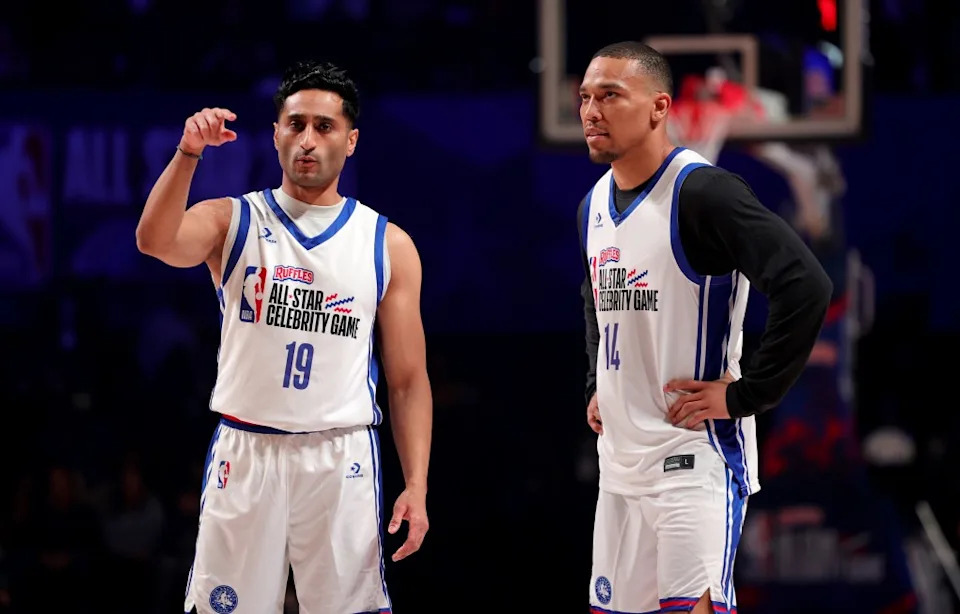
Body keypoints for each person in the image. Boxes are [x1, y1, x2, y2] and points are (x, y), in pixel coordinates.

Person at [135, 60, 432, 614]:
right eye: (295, 125)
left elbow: (409, 380)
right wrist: (187, 155)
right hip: (246, 449)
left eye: (324, 126)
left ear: (351, 139)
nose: (308, 140)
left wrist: (416, 485)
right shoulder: (232, 220)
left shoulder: (387, 244)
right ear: (275, 135)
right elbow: (154, 241)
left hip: (339, 453)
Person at [576, 42, 832, 614]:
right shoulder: (592, 203)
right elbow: (596, 296)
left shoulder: (704, 192)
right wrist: (597, 380)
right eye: (586, 97)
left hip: (690, 460)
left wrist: (747, 395)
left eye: (611, 96)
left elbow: (806, 285)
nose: (592, 110)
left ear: (660, 107)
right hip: (619, 464)